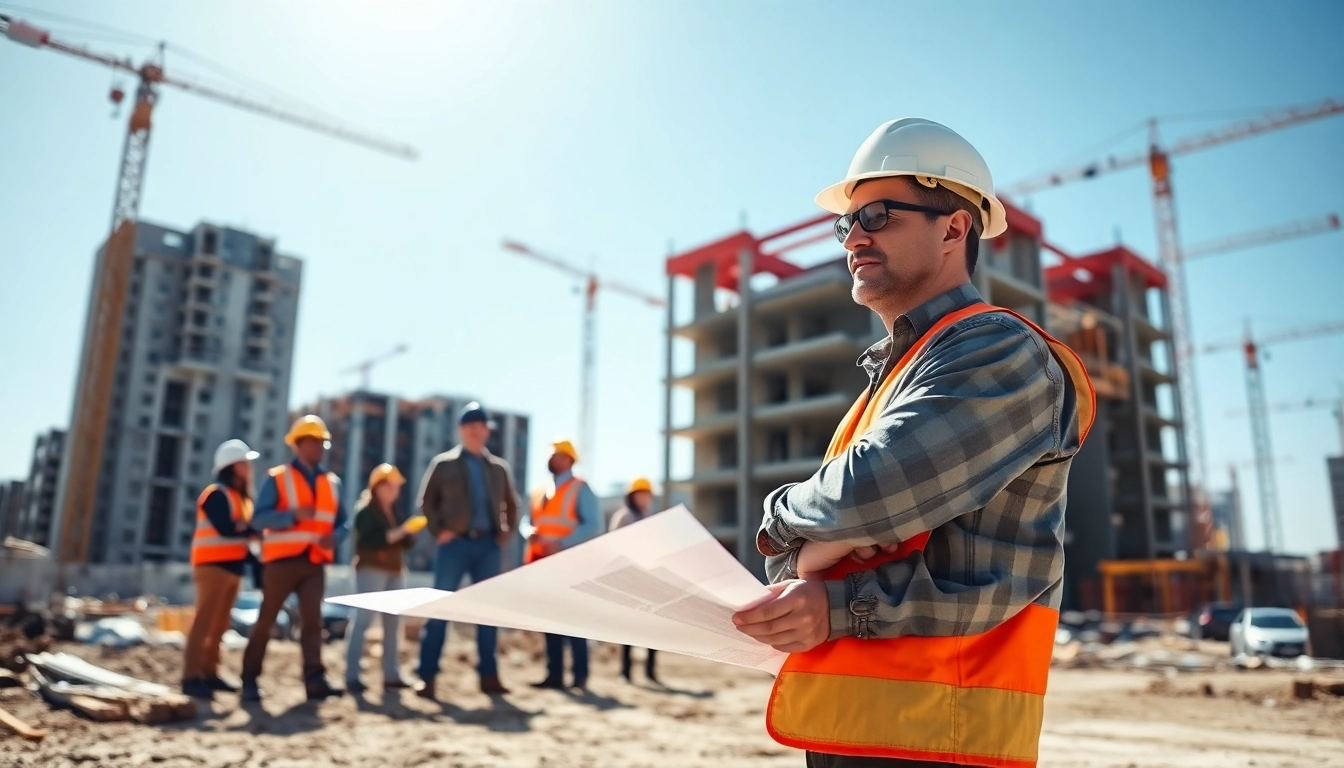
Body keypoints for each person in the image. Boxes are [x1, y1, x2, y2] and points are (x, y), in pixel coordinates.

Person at [730, 118, 1096, 768]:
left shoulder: (998, 349)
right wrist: (823, 571)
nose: (855, 237)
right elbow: (829, 541)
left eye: (877, 214)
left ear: (955, 228)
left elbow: (870, 493)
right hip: (857, 730)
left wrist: (785, 516)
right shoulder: (899, 374)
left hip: (944, 740)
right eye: (847, 223)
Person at [240, 415, 349, 703]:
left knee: (313, 622)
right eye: (313, 442)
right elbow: (259, 518)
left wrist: (335, 538)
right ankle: (249, 680)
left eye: (321, 442)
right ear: (298, 445)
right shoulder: (278, 478)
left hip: (314, 563)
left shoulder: (332, 482)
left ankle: (315, 680)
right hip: (281, 562)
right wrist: (291, 516)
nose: (319, 448)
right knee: (266, 620)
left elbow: (344, 522)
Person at [415, 402, 519, 699]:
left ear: (487, 431)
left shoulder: (499, 468)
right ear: (461, 430)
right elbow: (426, 503)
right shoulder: (443, 464)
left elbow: (512, 505)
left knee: (488, 614)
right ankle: (427, 676)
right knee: (439, 608)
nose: (476, 431)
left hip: (488, 546)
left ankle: (489, 676)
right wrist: (439, 531)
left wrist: (505, 532)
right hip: (454, 546)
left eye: (481, 426)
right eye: (471, 426)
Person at [181, 439, 259, 699]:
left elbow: (242, 534)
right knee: (203, 621)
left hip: (233, 569)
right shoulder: (216, 494)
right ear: (232, 466)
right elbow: (226, 527)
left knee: (220, 624)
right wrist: (250, 530)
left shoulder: (241, 499)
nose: (249, 467)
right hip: (211, 566)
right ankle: (190, 677)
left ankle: (210, 673)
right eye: (244, 462)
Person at [523, 439, 603, 691]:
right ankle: (554, 674)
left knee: (573, 618)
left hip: (570, 562)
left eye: (557, 454)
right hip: (541, 562)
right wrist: (528, 532)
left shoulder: (580, 488)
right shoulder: (539, 492)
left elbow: (593, 526)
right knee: (549, 619)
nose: (552, 458)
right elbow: (528, 520)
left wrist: (563, 542)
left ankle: (580, 676)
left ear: (569, 459)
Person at [344, 463, 423, 693]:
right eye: (391, 486)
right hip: (371, 570)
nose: (395, 490)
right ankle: (351, 674)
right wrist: (401, 531)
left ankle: (391, 673)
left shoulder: (392, 512)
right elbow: (373, 539)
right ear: (378, 487)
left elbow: (401, 543)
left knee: (392, 623)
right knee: (363, 620)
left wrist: (409, 534)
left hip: (395, 570)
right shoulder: (366, 512)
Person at [608, 477, 659, 684]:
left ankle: (650, 671)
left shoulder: (650, 518)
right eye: (640, 494)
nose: (643, 498)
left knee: (652, 629)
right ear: (632, 496)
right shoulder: (625, 517)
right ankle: (626, 672)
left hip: (649, 580)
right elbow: (614, 546)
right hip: (630, 580)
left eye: (646, 494)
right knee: (629, 628)